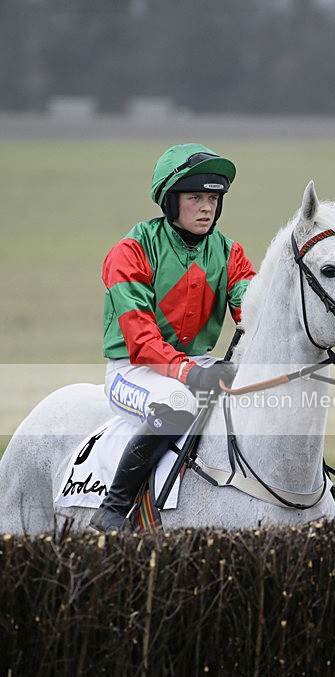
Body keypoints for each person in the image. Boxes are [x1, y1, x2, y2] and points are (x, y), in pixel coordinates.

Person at [90, 143, 256, 532]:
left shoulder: (230, 253)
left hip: (194, 364)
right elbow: (141, 339)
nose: (206, 207)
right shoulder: (130, 251)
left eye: (213, 198)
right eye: (195, 197)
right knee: (180, 403)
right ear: (169, 201)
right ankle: (113, 509)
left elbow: (253, 308)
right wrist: (186, 373)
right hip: (132, 371)